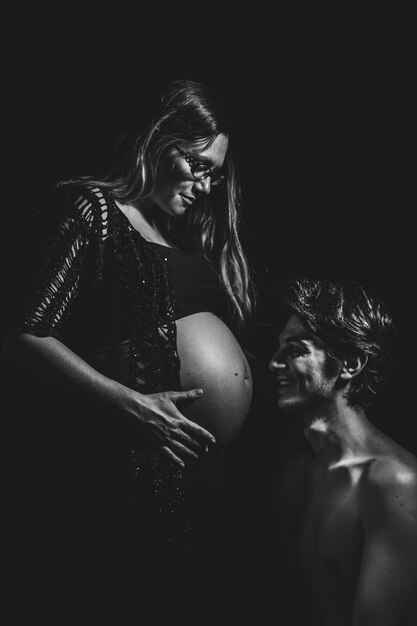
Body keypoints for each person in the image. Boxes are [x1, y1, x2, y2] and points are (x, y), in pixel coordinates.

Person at [3, 79, 256, 619]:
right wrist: (132, 406)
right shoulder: (94, 208)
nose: (206, 185)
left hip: (194, 479)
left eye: (215, 172)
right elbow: (24, 335)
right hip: (127, 467)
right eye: (198, 164)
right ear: (159, 140)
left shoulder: (179, 236)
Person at [268, 277, 417, 626]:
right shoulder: (296, 475)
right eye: (278, 349)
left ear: (349, 363)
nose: (273, 363)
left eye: (295, 350)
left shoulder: (394, 484)